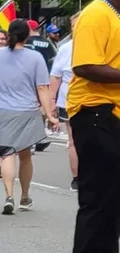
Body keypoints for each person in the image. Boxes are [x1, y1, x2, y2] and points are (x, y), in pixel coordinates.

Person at [63, 0, 120, 253]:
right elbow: (85, 66)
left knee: (113, 198)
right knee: (96, 195)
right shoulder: (96, 15)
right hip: (94, 111)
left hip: (112, 113)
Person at [0, 18, 57, 215]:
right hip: (28, 112)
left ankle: (9, 196)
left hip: (3, 110)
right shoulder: (36, 58)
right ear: (27, 34)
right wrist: (50, 115)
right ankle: (24, 196)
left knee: (6, 155)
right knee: (25, 156)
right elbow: (42, 88)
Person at [48, 15, 79, 190]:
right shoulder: (66, 49)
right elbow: (56, 75)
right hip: (70, 100)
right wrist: (52, 101)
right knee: (74, 140)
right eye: (74, 25)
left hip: (97, 99)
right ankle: (77, 177)